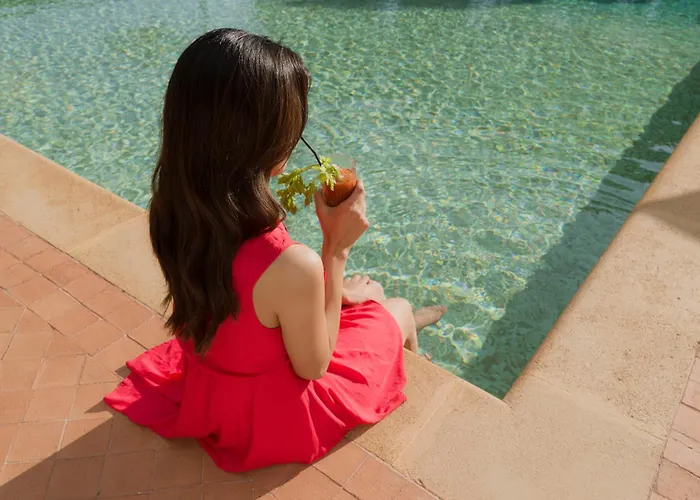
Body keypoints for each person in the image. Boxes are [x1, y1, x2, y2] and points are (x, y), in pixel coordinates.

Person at [104, 28, 446, 473]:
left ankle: (386, 321)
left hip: (212, 382)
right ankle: (411, 345)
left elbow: (241, 296)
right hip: (271, 414)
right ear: (265, 139)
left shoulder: (170, 212)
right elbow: (313, 367)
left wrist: (324, 284)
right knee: (393, 306)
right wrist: (335, 250)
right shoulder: (288, 262)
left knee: (361, 298)